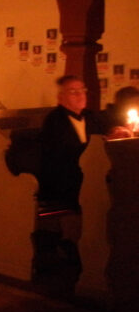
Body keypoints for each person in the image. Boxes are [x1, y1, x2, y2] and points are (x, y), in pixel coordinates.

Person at [38, 75, 98, 211]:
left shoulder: (91, 116)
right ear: (61, 97)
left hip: (93, 175)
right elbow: (60, 156)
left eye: (82, 90)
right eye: (73, 92)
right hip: (66, 181)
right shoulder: (54, 120)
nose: (80, 95)